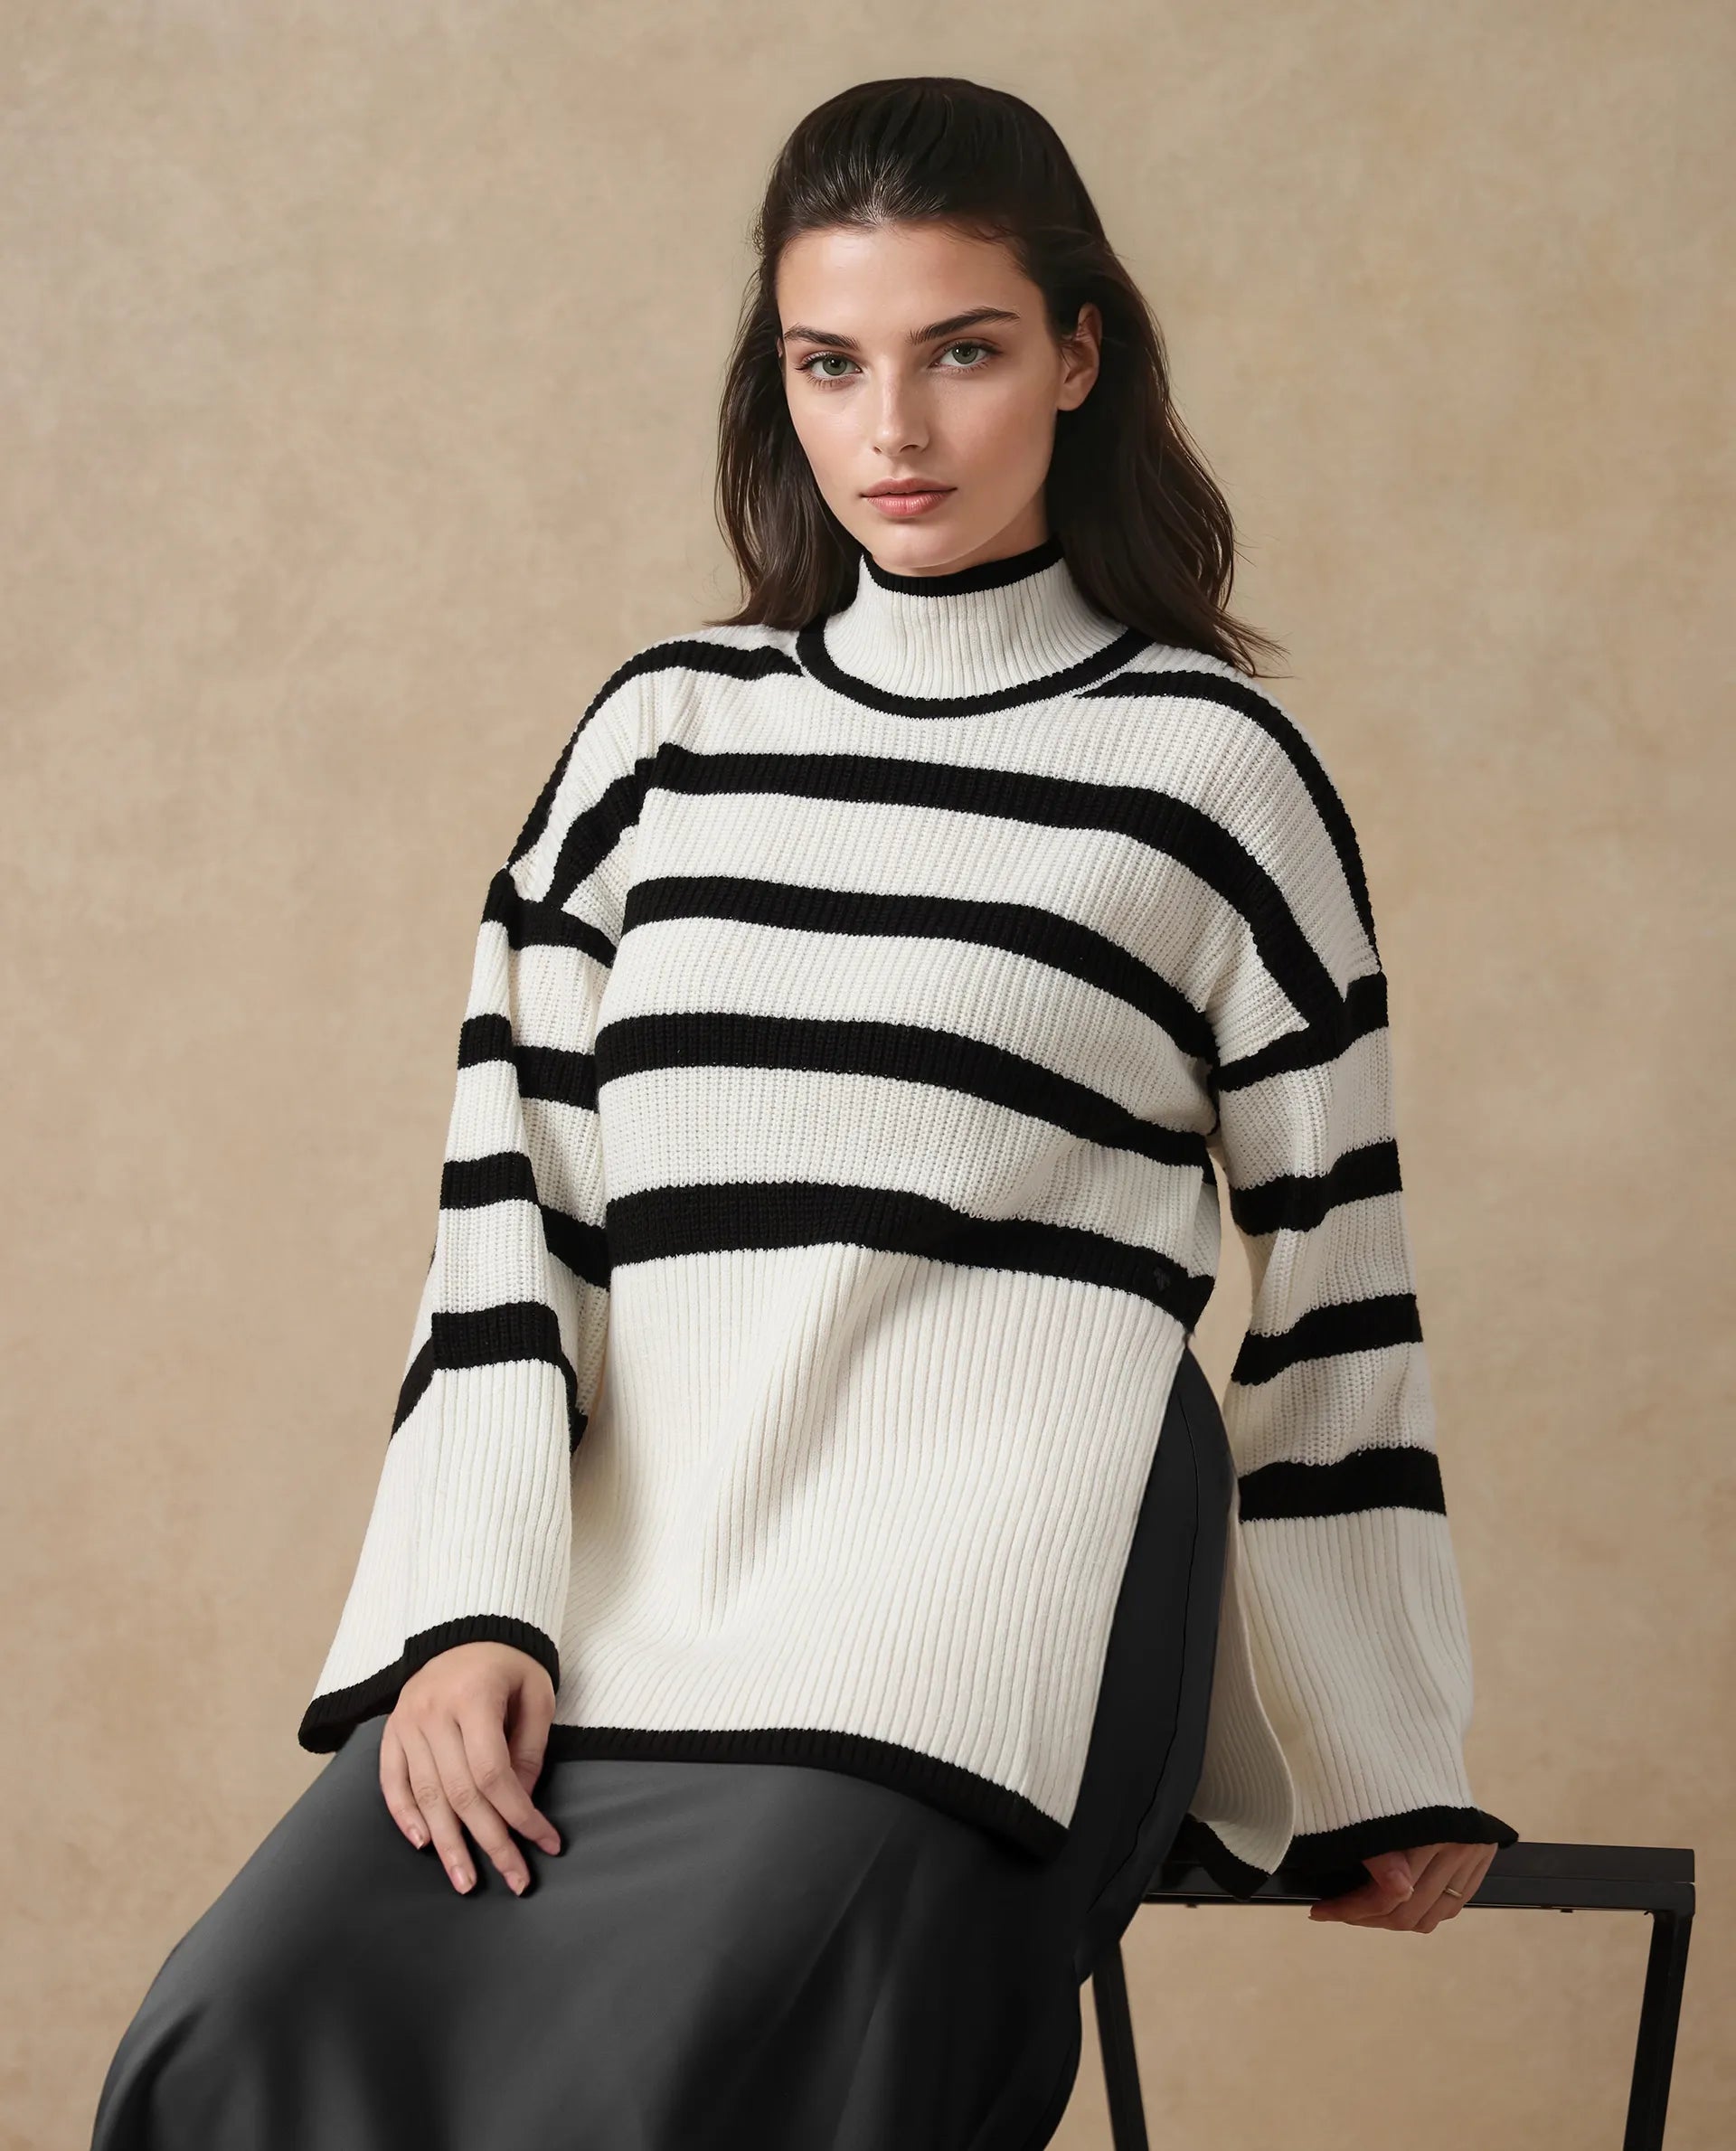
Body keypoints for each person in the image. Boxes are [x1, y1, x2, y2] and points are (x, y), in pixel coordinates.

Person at [90, 73, 1517, 2151]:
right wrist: (466, 1607)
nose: (894, 430)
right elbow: (512, 1216)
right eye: (830, 363)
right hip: (628, 1596)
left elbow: (1340, 1298)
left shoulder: (1213, 771)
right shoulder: (659, 738)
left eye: (964, 352)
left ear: (1081, 354)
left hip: (978, 1599)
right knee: (241, 2027)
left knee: (688, 2067)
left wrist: (1382, 1748)